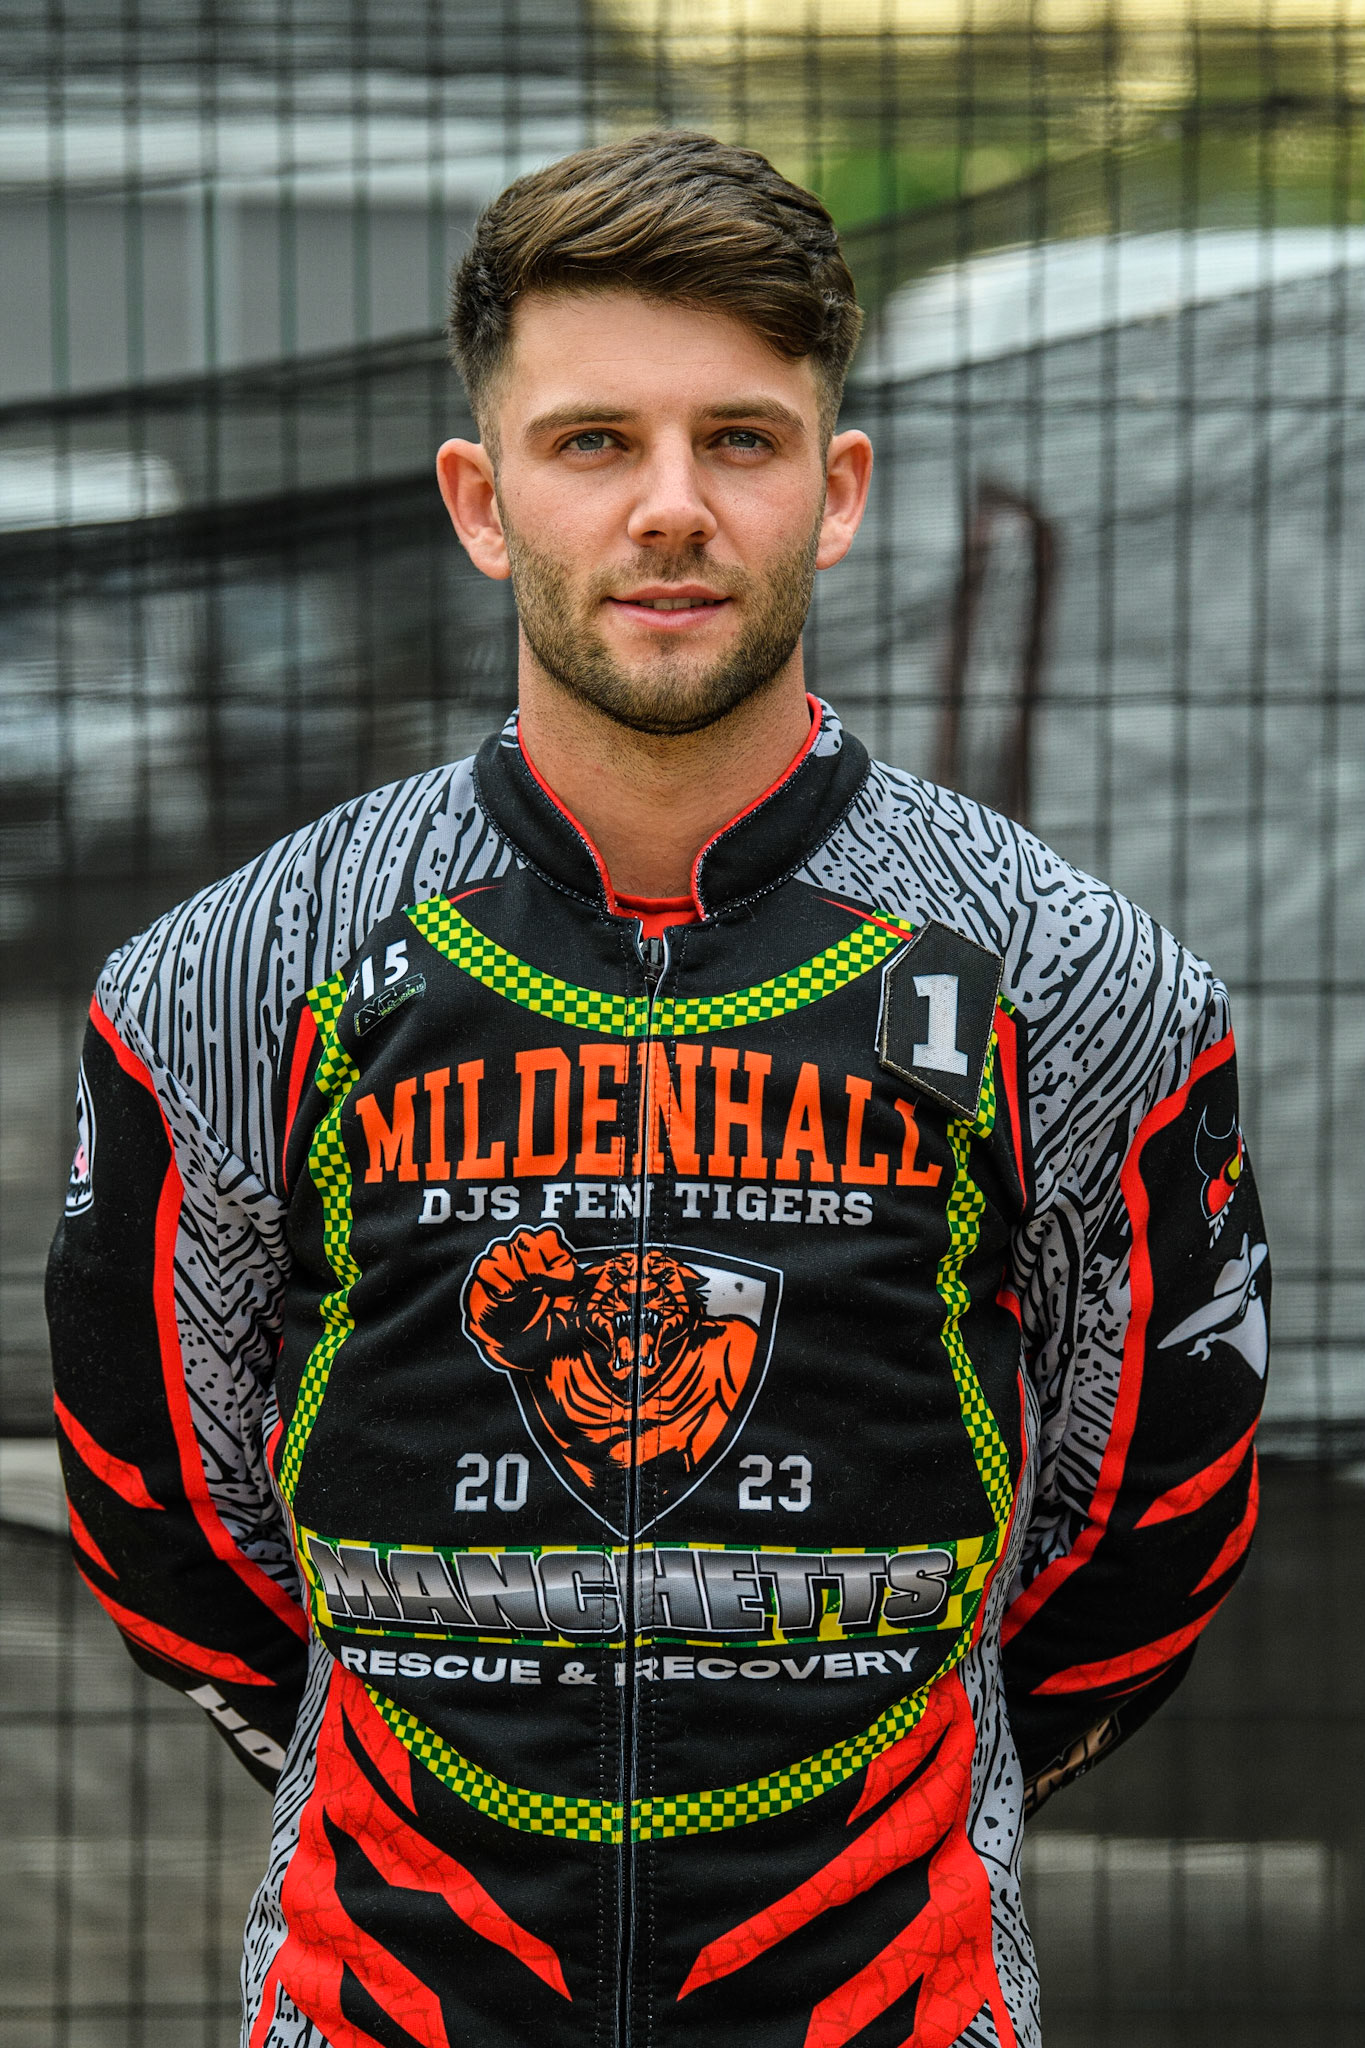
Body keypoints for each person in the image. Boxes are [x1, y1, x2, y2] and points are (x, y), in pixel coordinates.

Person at [46, 131, 1269, 2048]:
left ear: (838, 488)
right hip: (383, 2001)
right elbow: (162, 1509)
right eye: (595, 441)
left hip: (891, 1998)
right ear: (479, 494)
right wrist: (393, 1749)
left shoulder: (1076, 977)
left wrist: (912, 1783)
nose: (672, 510)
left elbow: (1150, 1516)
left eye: (742, 440)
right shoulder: (224, 976)